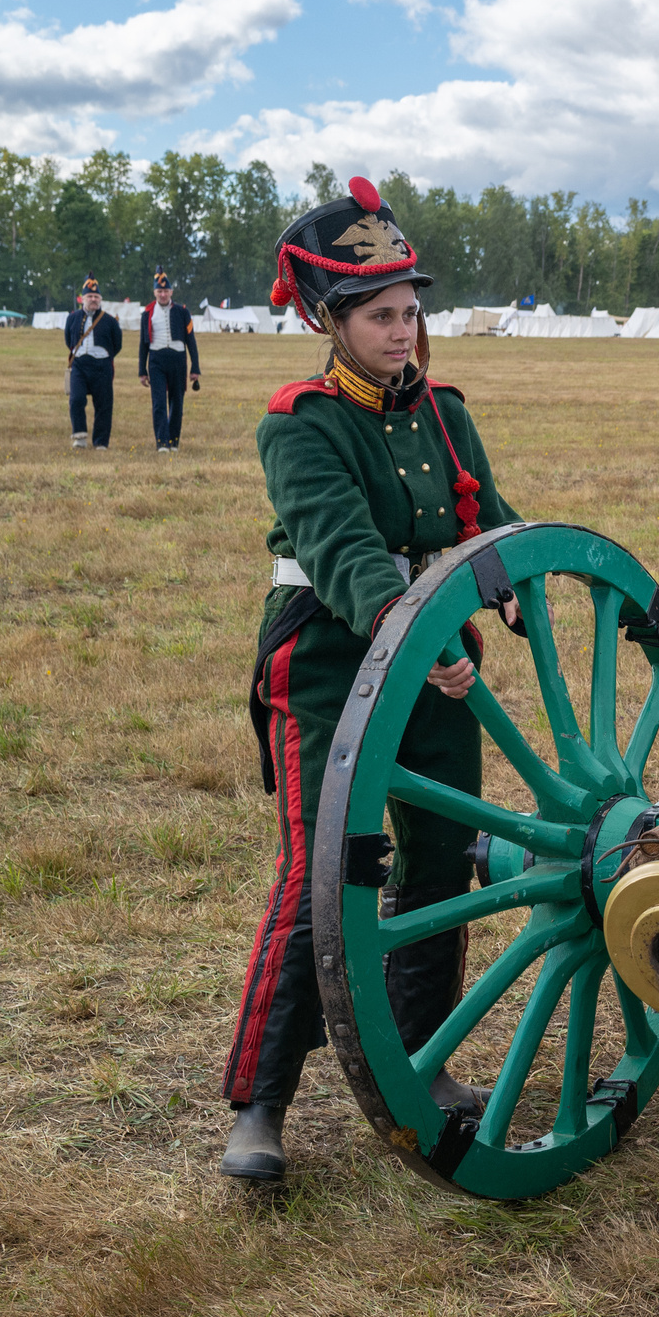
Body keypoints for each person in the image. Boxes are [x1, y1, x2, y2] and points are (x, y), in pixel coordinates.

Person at [220, 175, 521, 1182]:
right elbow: (347, 557)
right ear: (329, 318)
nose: (403, 331)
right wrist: (426, 638)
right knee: (320, 877)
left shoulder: (443, 412)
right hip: (327, 662)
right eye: (381, 315)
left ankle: (417, 1063)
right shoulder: (298, 424)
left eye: (409, 311)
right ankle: (260, 1103)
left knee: (437, 861)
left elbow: (487, 515)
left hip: (438, 667)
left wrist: (514, 579)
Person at [139, 270, 201, 452]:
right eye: (160, 292)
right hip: (156, 360)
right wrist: (142, 371)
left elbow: (191, 341)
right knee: (158, 403)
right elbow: (143, 344)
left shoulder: (182, 312)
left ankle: (173, 441)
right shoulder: (147, 314)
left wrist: (195, 367)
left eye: (166, 291)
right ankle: (162, 443)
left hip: (178, 360)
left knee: (177, 402)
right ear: (155, 293)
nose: (163, 295)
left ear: (171, 292)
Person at [64, 280, 121, 450]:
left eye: (96, 296)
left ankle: (101, 442)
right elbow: (69, 340)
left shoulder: (110, 321)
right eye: (90, 296)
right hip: (80, 365)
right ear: (82, 298)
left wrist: (103, 357)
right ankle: (79, 436)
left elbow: (117, 344)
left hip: (102, 365)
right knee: (76, 399)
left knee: (103, 404)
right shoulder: (73, 318)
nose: (93, 299)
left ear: (100, 299)